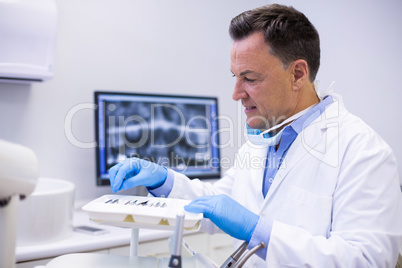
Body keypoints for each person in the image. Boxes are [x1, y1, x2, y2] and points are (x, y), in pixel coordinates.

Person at [108, 4, 402, 267]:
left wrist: (258, 231)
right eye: (235, 77)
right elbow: (223, 204)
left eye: (250, 78)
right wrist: (165, 182)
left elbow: (368, 260)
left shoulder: (363, 151)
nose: (236, 94)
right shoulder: (263, 138)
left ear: (298, 74)